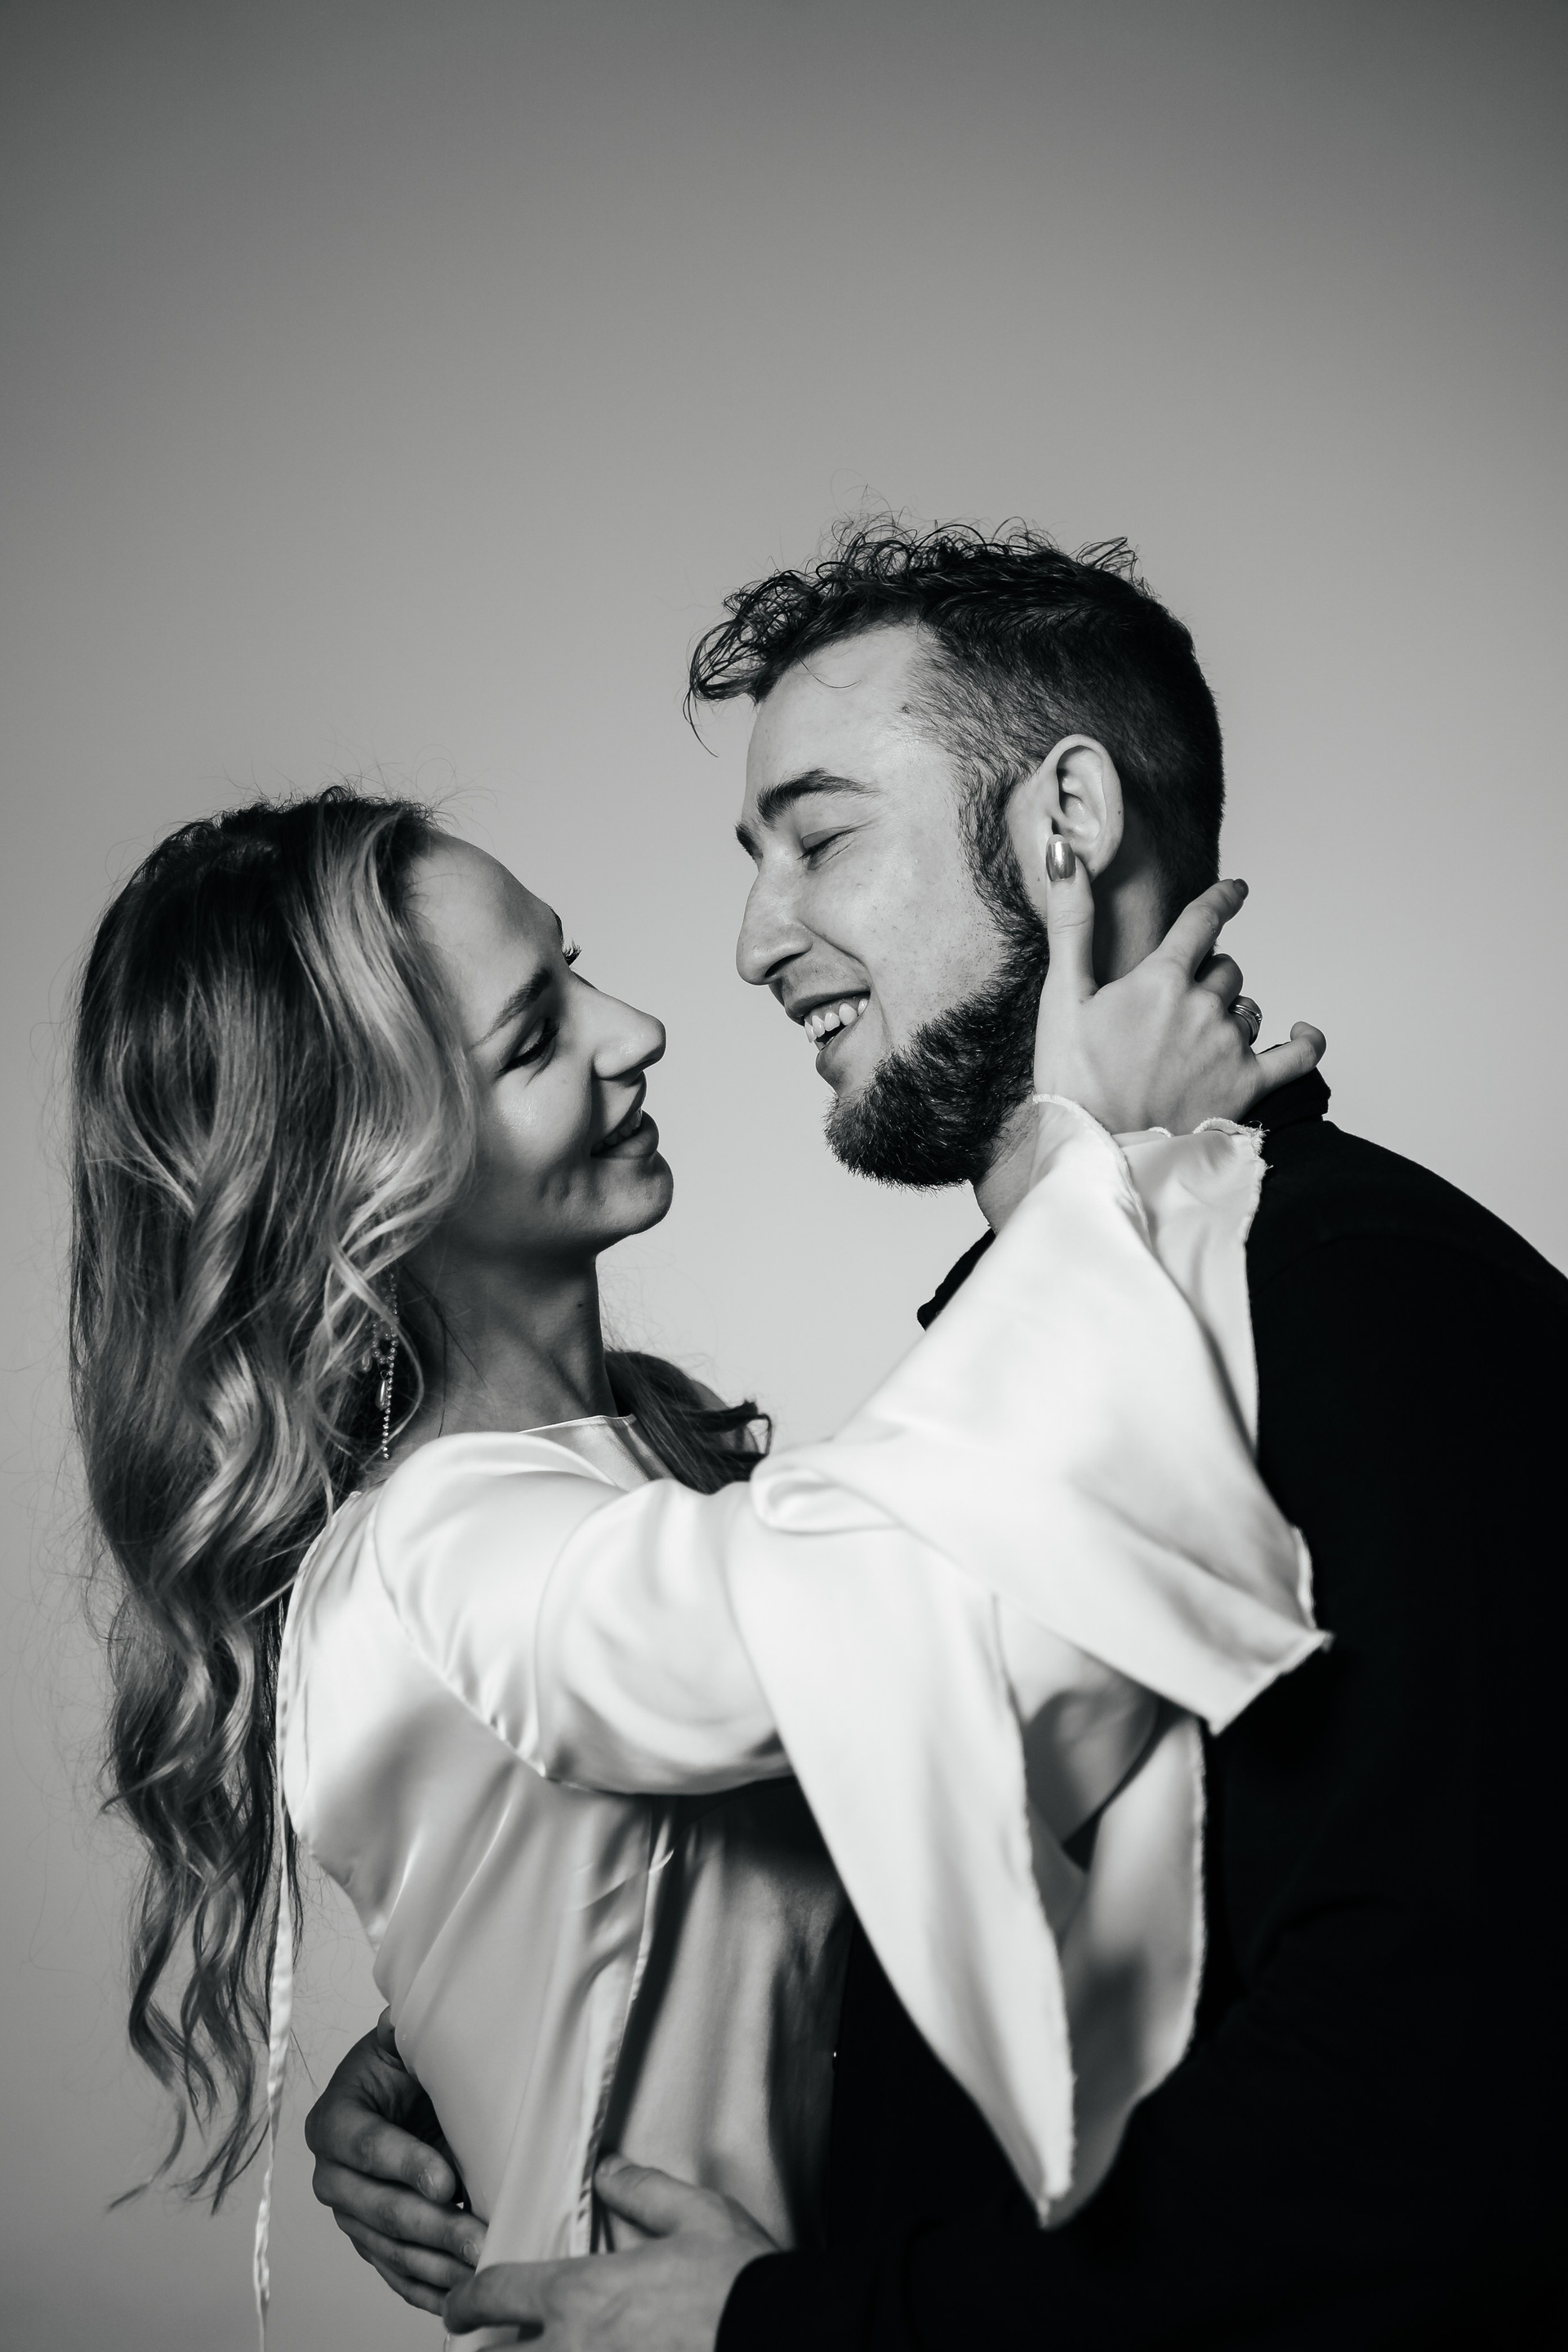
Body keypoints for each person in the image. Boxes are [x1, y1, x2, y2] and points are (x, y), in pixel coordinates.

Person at [317, 523, 1567, 2349]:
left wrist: (786, 2333)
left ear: (1066, 828)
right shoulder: (1030, 1373)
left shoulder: (1363, 1310)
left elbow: (1433, 2125)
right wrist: (493, 2013)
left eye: (820, 839)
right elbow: (989, 1888)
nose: (753, 942)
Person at [71, 781, 1323, 2346]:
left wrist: (460, 2029)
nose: (637, 1029)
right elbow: (923, 1615)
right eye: (533, 1039)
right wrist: (1100, 1156)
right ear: (363, 1185)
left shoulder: (629, 1492)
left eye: (575, 966)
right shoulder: (434, 1554)